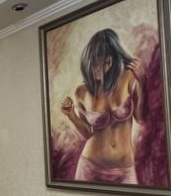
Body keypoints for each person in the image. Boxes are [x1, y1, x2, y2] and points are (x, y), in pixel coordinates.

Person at [60, 28, 144, 184]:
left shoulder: (129, 78)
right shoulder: (82, 91)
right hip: (90, 168)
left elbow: (141, 119)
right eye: (91, 63)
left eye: (99, 62)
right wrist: (71, 114)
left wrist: (142, 82)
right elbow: (88, 133)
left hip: (125, 169)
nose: (94, 69)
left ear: (110, 60)